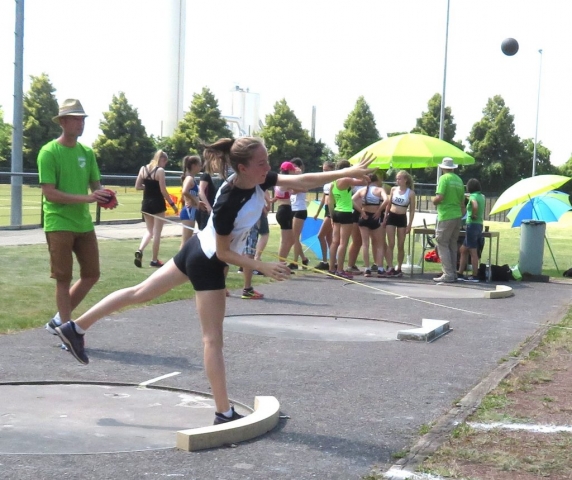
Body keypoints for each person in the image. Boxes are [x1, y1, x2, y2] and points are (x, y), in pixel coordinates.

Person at [52, 137, 374, 426]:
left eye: (267, 162)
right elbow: (224, 253)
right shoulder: (229, 200)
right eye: (262, 163)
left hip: (198, 249)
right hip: (207, 260)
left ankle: (75, 327)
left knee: (140, 293)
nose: (269, 168)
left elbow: (301, 180)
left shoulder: (255, 179)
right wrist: (261, 264)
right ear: (243, 167)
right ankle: (223, 412)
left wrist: (348, 173)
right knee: (212, 340)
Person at [40, 98, 113, 337]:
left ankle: (60, 321)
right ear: (62, 122)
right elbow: (50, 194)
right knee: (63, 279)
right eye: (75, 118)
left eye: (82, 119)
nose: (80, 123)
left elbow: (96, 185)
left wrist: (104, 197)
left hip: (83, 222)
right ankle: (67, 331)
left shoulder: (87, 152)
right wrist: (88, 199)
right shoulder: (49, 152)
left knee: (92, 274)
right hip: (58, 222)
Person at [134, 150, 178, 268]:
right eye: (165, 162)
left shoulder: (143, 168)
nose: (165, 164)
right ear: (162, 160)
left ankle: (140, 250)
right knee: (157, 232)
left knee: (149, 231)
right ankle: (154, 260)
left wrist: (148, 187)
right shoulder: (160, 171)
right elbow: (163, 190)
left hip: (146, 203)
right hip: (157, 203)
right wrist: (172, 205)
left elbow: (137, 186)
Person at [328, 159, 369, 279]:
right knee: (343, 243)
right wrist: (363, 171)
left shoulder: (333, 182)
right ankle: (340, 269)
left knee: (335, 242)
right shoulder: (346, 179)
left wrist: (331, 216)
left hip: (336, 212)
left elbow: (330, 201)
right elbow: (363, 181)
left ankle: (331, 268)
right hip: (345, 213)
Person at [432, 157, 466, 283]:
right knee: (452, 244)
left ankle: (448, 273)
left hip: (446, 214)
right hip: (457, 215)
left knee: (442, 243)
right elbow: (462, 202)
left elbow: (439, 197)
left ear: (442, 168)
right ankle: (453, 273)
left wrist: (433, 200)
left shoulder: (443, 178)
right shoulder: (459, 180)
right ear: (453, 167)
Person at [352, 173, 388, 277]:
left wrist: (361, 211)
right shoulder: (379, 190)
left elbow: (351, 200)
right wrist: (379, 210)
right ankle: (380, 268)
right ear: (376, 181)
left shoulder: (362, 190)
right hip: (375, 217)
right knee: (379, 244)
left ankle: (367, 269)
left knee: (365, 244)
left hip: (364, 217)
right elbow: (386, 200)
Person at [384, 170, 416, 277]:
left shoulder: (410, 193)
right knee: (391, 243)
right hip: (392, 217)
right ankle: (390, 266)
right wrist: (385, 217)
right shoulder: (393, 189)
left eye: (399, 178)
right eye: (396, 178)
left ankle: (399, 267)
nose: (397, 180)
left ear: (405, 180)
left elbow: (412, 210)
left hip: (402, 218)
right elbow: (388, 205)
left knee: (400, 244)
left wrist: (410, 224)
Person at [457, 178, 485, 282]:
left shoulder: (473, 197)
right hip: (479, 225)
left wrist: (473, 214)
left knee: (473, 251)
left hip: (472, 224)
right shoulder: (481, 196)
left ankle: (475, 275)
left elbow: (474, 204)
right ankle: (460, 272)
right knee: (463, 250)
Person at [274, 161, 296, 270]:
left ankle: (283, 262)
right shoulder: (285, 182)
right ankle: (281, 264)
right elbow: (302, 188)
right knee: (285, 240)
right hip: (284, 210)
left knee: (291, 240)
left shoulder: (279, 181)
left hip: (284, 209)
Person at [313, 161, 335, 270]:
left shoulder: (334, 182)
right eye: (323, 170)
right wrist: (317, 212)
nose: (324, 172)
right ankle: (332, 261)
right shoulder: (326, 183)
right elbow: (323, 198)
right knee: (328, 238)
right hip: (327, 209)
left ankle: (326, 261)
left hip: (332, 210)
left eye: (327, 170)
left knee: (320, 235)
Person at [289, 158, 309, 270]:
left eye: (294, 167)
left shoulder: (301, 178)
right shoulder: (292, 178)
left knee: (295, 237)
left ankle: (295, 262)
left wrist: (292, 187)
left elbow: (303, 189)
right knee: (294, 237)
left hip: (300, 209)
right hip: (293, 207)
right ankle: (304, 259)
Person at [179, 155, 203, 249]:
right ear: (193, 166)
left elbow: (184, 195)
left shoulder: (190, 178)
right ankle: (178, 262)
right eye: (199, 165)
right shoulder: (189, 178)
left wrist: (195, 201)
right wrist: (195, 200)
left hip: (191, 211)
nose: (201, 167)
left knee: (187, 241)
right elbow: (184, 191)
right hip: (189, 212)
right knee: (186, 241)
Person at [196, 161, 218, 231]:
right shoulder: (205, 176)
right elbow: (201, 191)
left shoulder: (210, 177)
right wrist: (208, 207)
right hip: (205, 211)